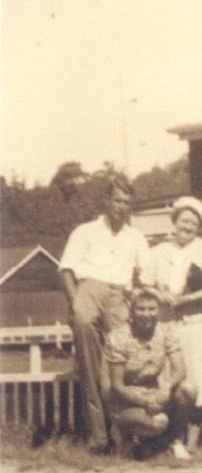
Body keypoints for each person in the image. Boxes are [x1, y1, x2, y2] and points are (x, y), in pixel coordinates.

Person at [58, 174, 155, 453]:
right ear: (107, 201)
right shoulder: (85, 231)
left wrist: (134, 296)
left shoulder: (136, 237)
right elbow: (66, 270)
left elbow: (146, 277)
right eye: (117, 200)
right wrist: (77, 303)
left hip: (119, 296)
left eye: (126, 202)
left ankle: (127, 435)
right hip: (89, 289)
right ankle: (99, 438)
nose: (121, 207)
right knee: (90, 366)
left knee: (120, 367)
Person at [151, 196, 202, 452]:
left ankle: (192, 441)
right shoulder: (157, 251)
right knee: (169, 377)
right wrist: (160, 294)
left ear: (200, 226)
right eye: (184, 220)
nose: (188, 227)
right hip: (166, 321)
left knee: (198, 380)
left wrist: (190, 298)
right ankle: (170, 437)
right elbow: (145, 283)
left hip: (198, 322)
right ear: (174, 221)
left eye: (194, 223)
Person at [105, 288, 196, 460]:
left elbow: (180, 370)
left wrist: (166, 387)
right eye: (141, 309)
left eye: (152, 309)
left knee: (188, 389)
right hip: (126, 400)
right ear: (131, 310)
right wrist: (144, 402)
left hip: (154, 393)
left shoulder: (166, 331)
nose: (147, 314)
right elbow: (117, 386)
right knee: (157, 423)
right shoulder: (118, 336)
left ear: (159, 310)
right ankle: (125, 435)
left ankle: (174, 441)